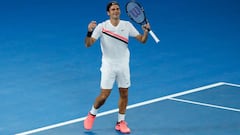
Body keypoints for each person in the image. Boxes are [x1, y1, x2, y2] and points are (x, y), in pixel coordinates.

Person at [84, 1, 150, 134]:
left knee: (124, 94)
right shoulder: (102, 27)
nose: (116, 11)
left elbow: (142, 40)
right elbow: (88, 44)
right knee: (103, 96)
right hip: (108, 66)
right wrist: (89, 31)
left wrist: (146, 32)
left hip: (123, 65)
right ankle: (92, 114)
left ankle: (121, 122)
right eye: (113, 9)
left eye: (118, 9)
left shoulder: (127, 25)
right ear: (108, 13)